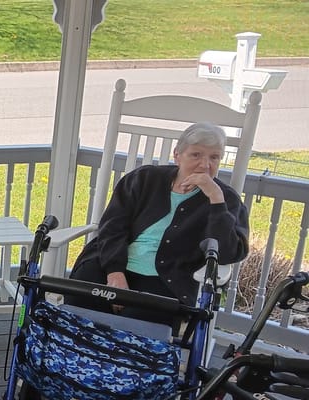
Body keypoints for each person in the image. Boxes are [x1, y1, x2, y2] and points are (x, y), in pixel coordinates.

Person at [65, 122, 249, 327]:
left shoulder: (226, 200)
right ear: (177, 155)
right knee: (79, 303)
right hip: (110, 265)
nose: (205, 165)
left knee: (137, 326)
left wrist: (216, 200)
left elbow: (227, 253)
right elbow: (111, 227)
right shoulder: (143, 179)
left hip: (168, 280)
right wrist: (115, 273)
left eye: (214, 157)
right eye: (196, 155)